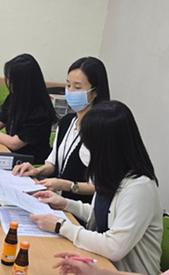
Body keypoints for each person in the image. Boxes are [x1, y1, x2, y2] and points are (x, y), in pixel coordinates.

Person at [30, 100, 162, 274]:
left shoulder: (139, 187)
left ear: (107, 147)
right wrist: (65, 203)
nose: (84, 149)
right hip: (100, 266)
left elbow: (114, 247)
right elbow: (99, 215)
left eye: (88, 143)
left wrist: (60, 226)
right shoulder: (111, 173)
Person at [12, 57, 110, 204]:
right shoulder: (66, 122)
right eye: (68, 85)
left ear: (95, 92)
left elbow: (99, 186)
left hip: (79, 208)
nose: (70, 91)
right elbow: (52, 164)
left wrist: (67, 185)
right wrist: (36, 171)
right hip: (56, 201)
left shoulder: (102, 130)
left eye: (77, 87)